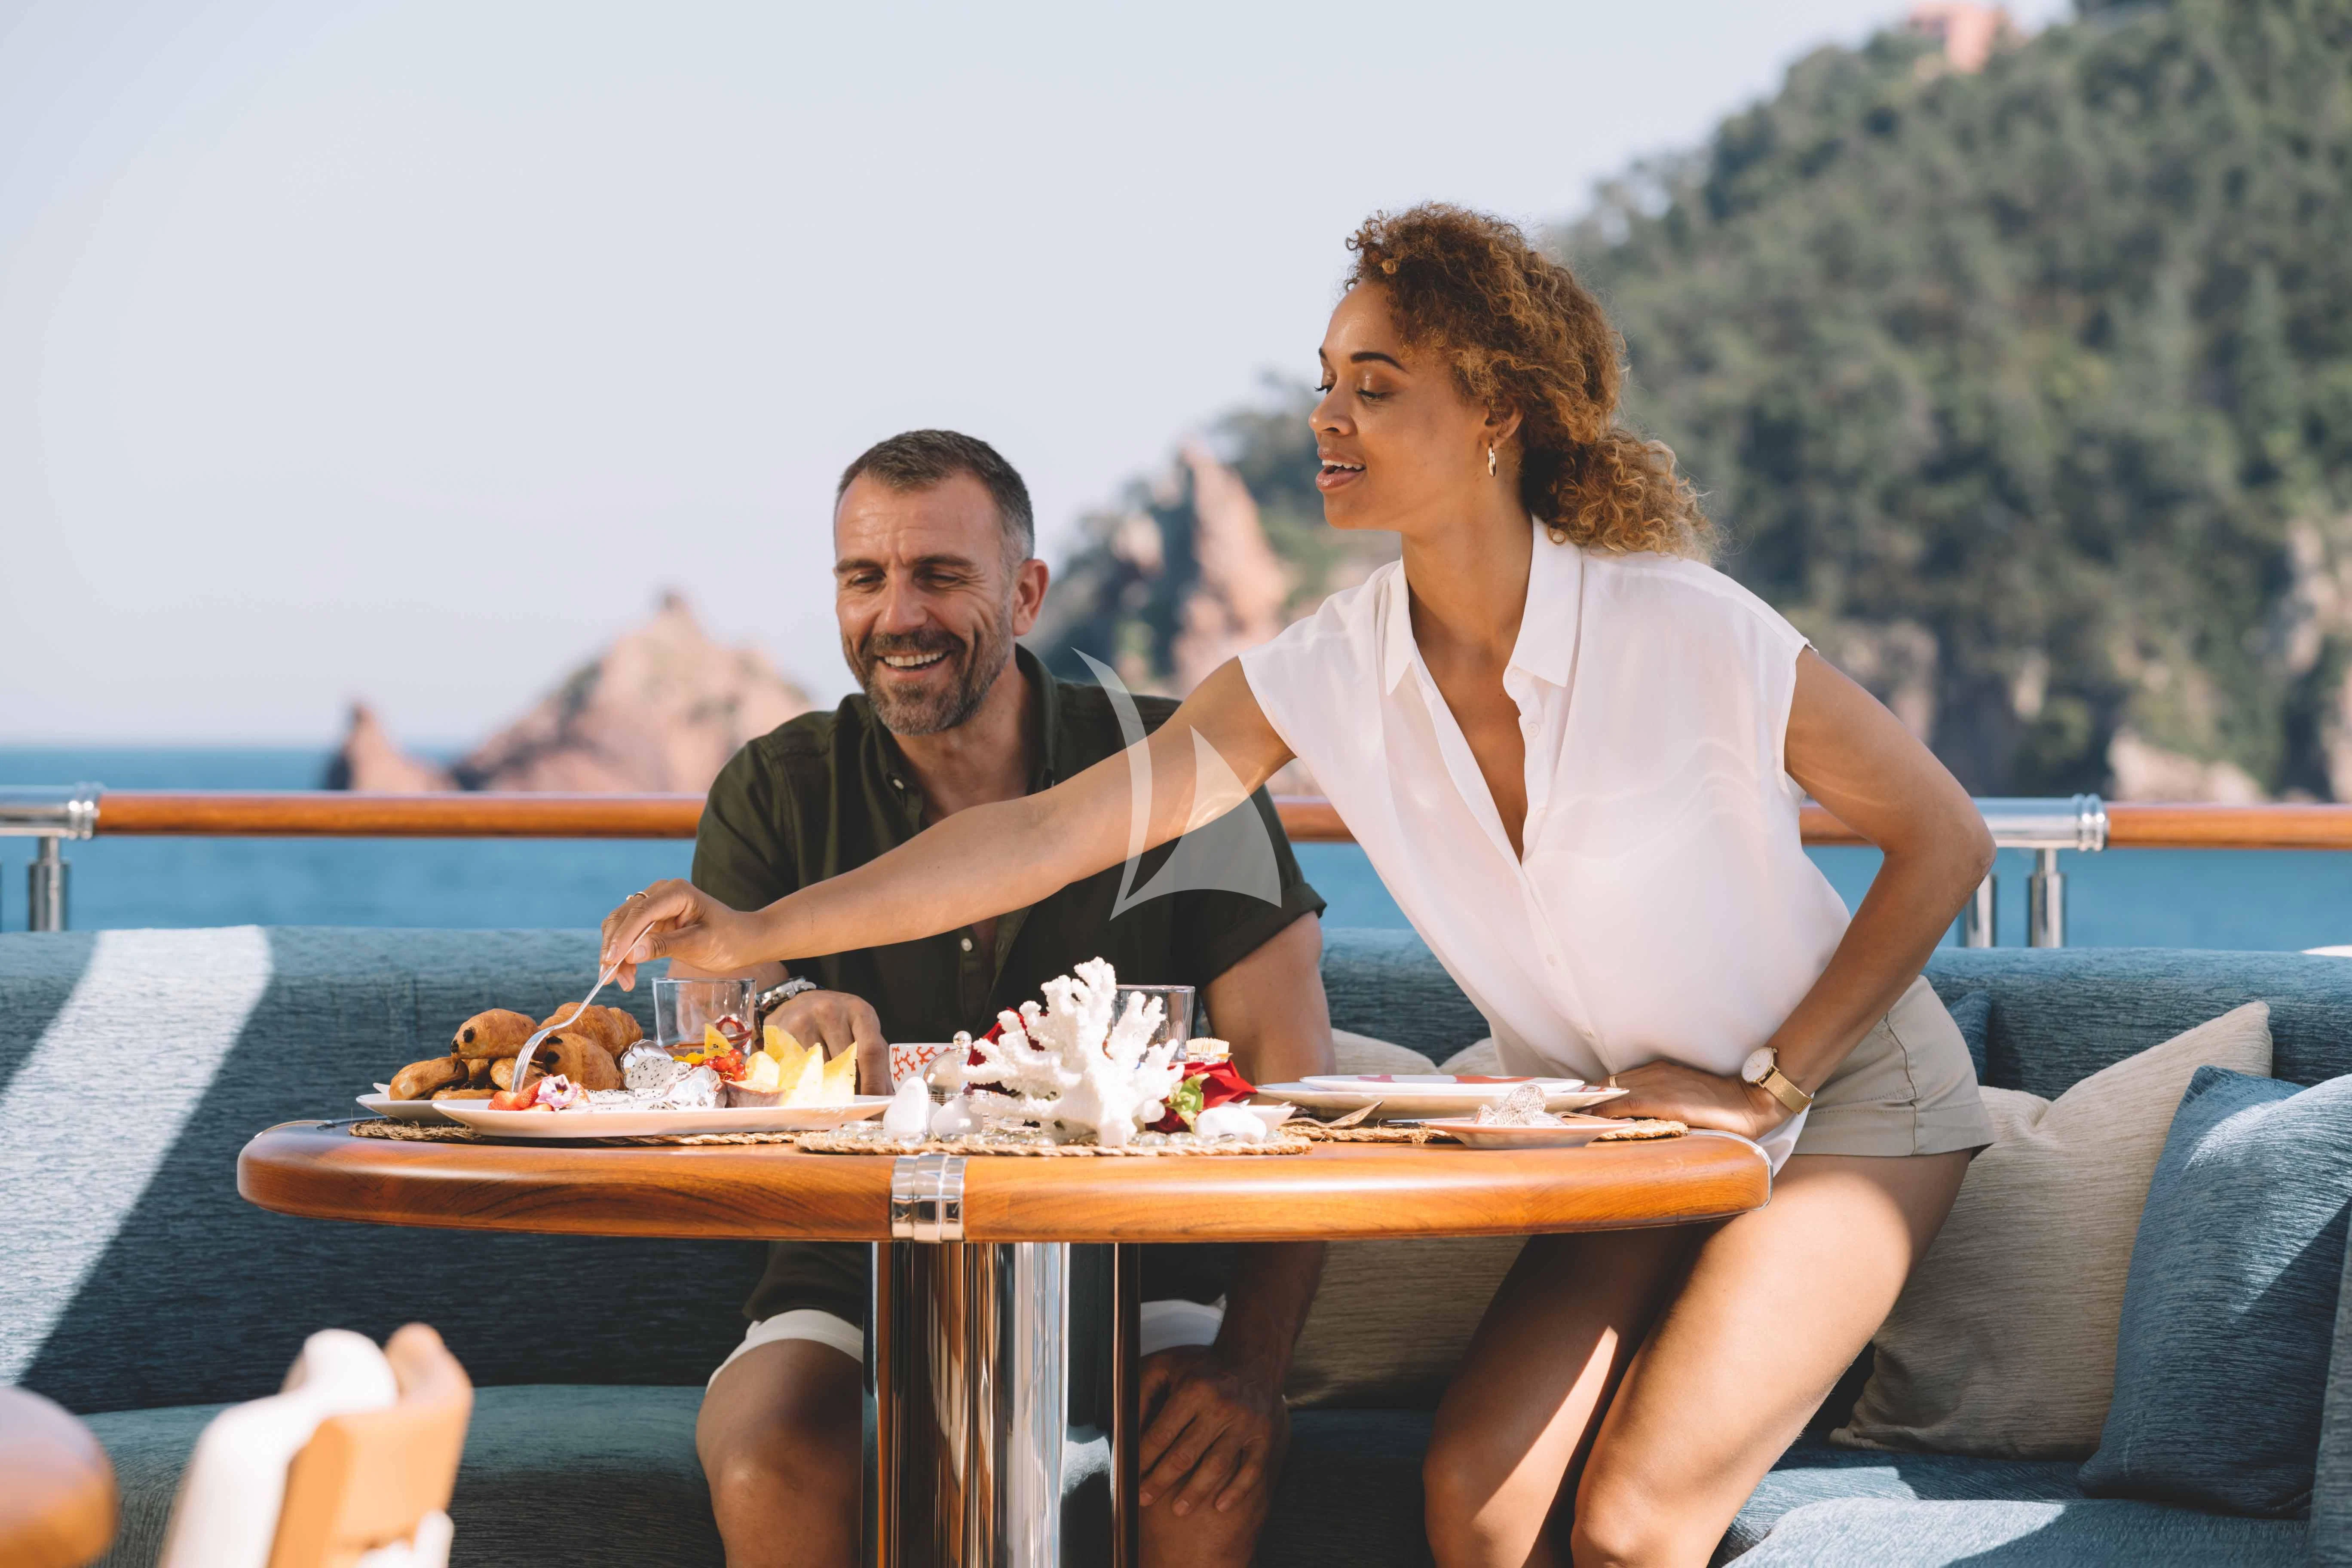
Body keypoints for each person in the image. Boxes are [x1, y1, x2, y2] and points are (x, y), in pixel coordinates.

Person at [608, 210, 1997, 1568]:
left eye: (1375, 389)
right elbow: (1038, 837)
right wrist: (763, 930)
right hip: (1631, 1127)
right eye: (1324, 384)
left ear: (1497, 410)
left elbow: (1944, 839)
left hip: (1847, 1110)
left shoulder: (1682, 627)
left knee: (1633, 1527)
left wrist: (1771, 1085)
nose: (1327, 419)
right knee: (1480, 1505)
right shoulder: (1325, 674)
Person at [680, 429, 1335, 1568]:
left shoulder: (1178, 770)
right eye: (864, 578)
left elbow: (1295, 1083)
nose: (899, 616)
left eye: (940, 575)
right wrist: (780, 1011)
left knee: (1206, 1481)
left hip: (1146, 1271)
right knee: (766, 1461)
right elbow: (712, 1002)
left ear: (1026, 593)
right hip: (855, 1266)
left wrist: (1255, 1367)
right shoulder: (776, 787)